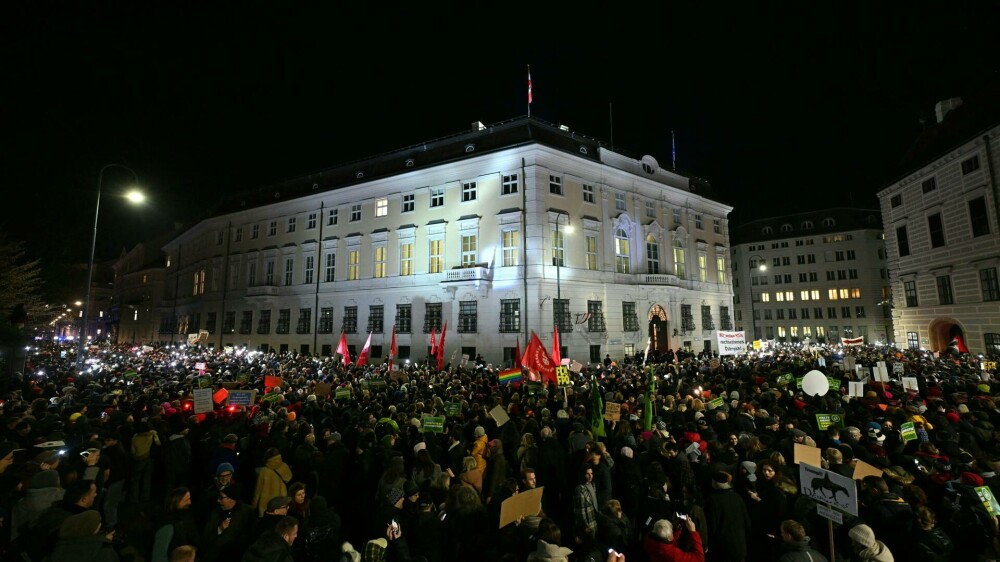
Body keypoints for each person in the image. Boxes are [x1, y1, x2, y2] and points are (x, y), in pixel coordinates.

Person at [703, 471, 750, 562]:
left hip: (722, 549)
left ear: (714, 483)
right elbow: (747, 521)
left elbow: (711, 526)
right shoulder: (737, 497)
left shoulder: (712, 501)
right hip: (739, 546)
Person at [49, 509, 119, 562]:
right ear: (92, 530)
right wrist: (103, 541)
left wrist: (101, 539)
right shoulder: (105, 554)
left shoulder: (57, 550)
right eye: (98, 522)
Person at [253, 448, 292, 517]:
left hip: (266, 502)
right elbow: (288, 479)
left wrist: (254, 504)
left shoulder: (264, 471)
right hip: (281, 499)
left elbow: (258, 490)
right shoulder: (284, 466)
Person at [573, 465, 600, 539]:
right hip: (587, 525)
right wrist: (585, 526)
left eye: (591, 473)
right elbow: (580, 511)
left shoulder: (592, 485)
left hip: (594, 521)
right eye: (587, 474)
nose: (590, 476)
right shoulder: (580, 489)